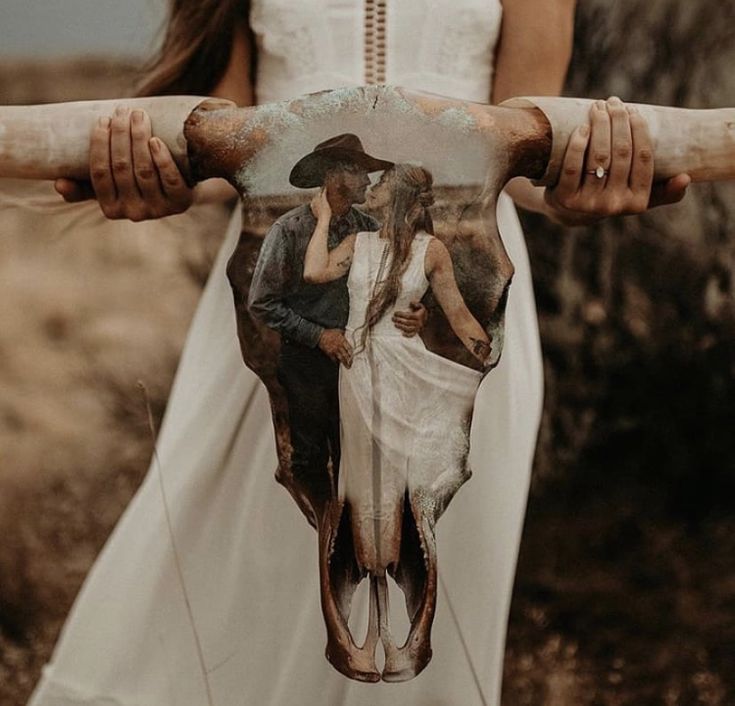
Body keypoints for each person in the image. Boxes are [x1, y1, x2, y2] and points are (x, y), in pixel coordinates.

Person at [32, 1, 690, 704]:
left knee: (420, 615)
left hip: (453, 309)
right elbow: (224, 128)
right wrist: (153, 170)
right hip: (277, 309)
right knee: (212, 580)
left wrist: (585, 179)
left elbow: (528, 161)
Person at [303, 162, 491, 574]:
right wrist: (324, 220)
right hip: (357, 362)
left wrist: (489, 357)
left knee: (393, 470)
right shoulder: (358, 242)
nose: (372, 186)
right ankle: (368, 566)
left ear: (400, 194)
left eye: (383, 182)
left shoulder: (431, 250)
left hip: (402, 365)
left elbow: (458, 314)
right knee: (360, 466)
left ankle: (392, 561)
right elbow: (314, 271)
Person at [247, 134, 426, 515]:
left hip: (358, 362)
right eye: (360, 172)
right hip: (306, 363)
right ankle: (320, 528)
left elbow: (396, 282)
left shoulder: (367, 229)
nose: (366, 181)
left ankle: (353, 534)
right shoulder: (289, 230)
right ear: (336, 175)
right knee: (310, 456)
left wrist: (416, 311)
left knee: (355, 454)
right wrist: (317, 335)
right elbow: (261, 303)